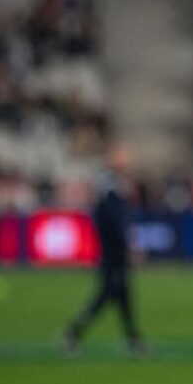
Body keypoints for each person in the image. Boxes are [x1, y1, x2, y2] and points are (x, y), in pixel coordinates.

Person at [63, 145, 145, 355]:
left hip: (113, 246)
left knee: (122, 293)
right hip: (112, 247)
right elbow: (113, 217)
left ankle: (133, 340)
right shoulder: (109, 184)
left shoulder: (112, 182)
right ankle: (73, 332)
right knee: (109, 293)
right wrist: (128, 242)